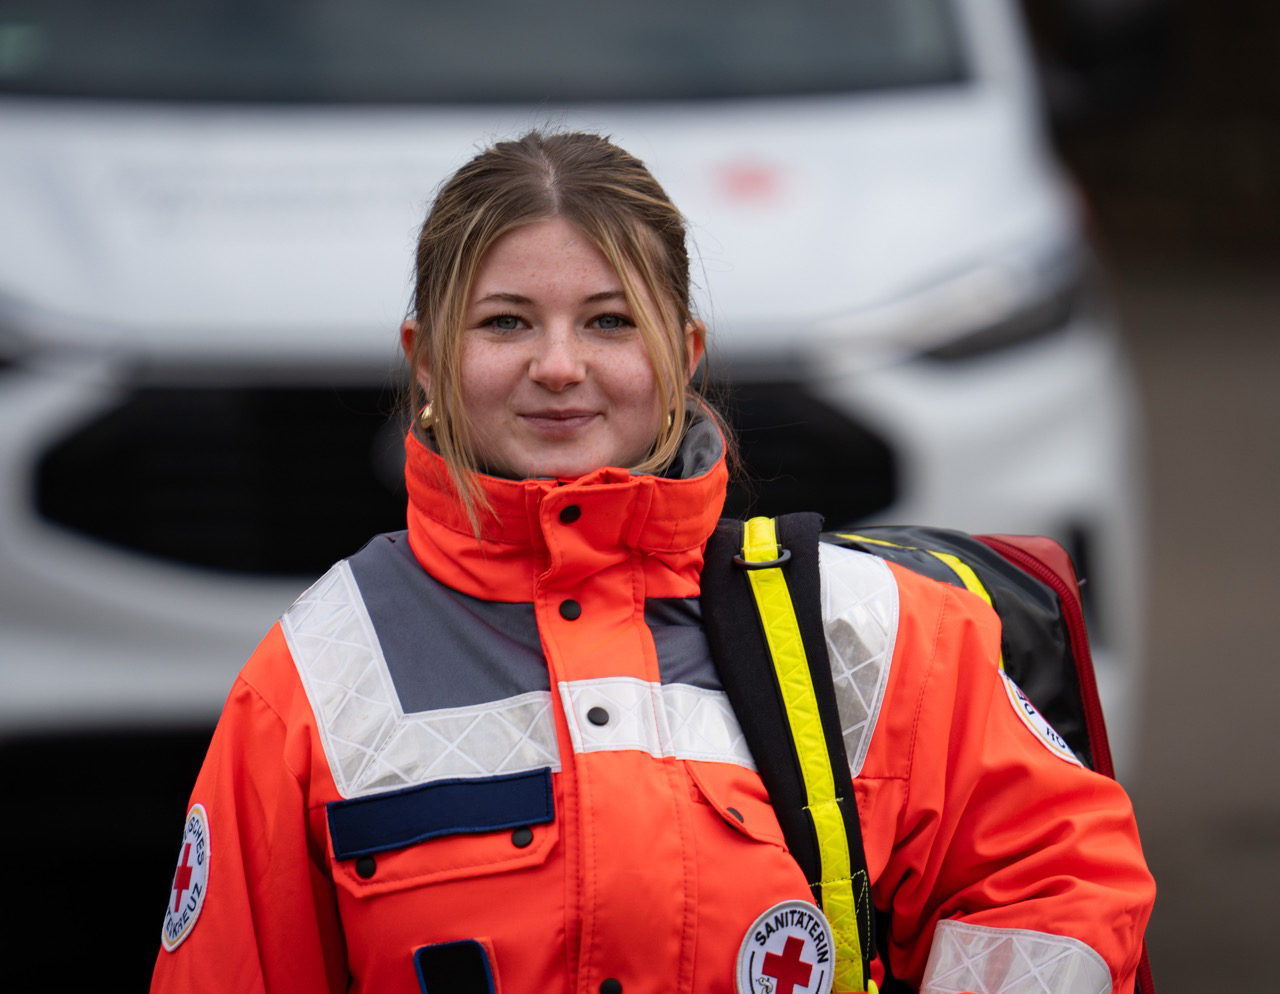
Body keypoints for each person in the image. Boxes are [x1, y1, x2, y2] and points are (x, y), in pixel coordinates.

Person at [150, 130, 1154, 994]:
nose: (557, 365)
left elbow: (1056, 874)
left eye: (609, 321)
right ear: (426, 358)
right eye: (505, 322)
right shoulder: (316, 675)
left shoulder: (869, 629)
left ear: (683, 350)